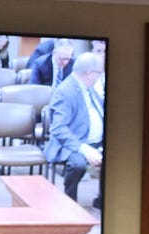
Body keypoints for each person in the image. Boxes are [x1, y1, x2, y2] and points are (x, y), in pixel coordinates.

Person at [43, 52, 104, 210]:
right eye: (99, 73)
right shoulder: (66, 91)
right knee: (78, 164)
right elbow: (58, 129)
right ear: (89, 73)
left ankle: (102, 200)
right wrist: (84, 149)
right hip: (72, 143)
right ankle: (69, 202)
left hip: (95, 141)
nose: (100, 76)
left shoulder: (90, 87)